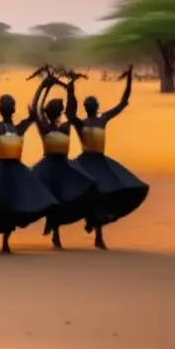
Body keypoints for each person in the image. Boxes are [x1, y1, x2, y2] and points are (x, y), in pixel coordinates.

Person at [0, 70, 57, 253]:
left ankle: (7, 240)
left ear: (10, 109)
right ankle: (5, 240)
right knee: (3, 204)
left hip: (15, 171)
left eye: (9, 106)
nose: (8, 108)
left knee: (16, 203)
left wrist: (44, 86)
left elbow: (33, 110)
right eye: (6, 106)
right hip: (0, 170)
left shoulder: (17, 127)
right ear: (3, 109)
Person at [67, 65, 149, 249]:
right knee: (87, 194)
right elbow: (70, 113)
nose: (91, 106)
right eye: (89, 105)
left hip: (101, 162)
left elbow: (122, 103)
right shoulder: (81, 123)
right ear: (86, 107)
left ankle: (98, 232)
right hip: (86, 161)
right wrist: (70, 89)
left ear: (96, 107)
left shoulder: (102, 119)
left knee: (109, 192)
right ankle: (88, 231)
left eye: (93, 104)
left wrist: (129, 79)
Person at [26, 67, 97, 249]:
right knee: (55, 200)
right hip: (49, 167)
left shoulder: (65, 127)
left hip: (64, 166)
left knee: (88, 188)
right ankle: (55, 234)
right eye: (60, 108)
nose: (62, 110)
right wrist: (43, 87)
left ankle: (90, 220)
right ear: (53, 112)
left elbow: (71, 111)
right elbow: (34, 108)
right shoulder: (44, 127)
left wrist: (70, 89)